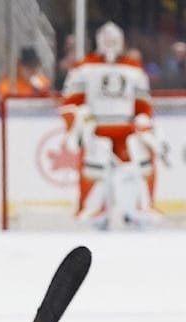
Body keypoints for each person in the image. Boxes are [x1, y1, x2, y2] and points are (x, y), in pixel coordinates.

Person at [61, 21, 159, 229]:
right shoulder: (85, 66)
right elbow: (71, 101)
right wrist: (79, 120)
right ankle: (94, 211)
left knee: (139, 168)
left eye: (114, 40)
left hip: (126, 130)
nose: (110, 44)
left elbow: (143, 103)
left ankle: (136, 210)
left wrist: (143, 123)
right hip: (98, 130)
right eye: (106, 40)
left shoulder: (133, 67)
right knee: (94, 170)